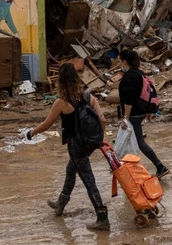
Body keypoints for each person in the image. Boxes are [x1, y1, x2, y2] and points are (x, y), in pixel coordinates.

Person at [25, 62, 110, 231]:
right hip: (91, 142)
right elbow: (103, 120)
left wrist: (30, 133)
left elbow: (46, 125)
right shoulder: (87, 96)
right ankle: (61, 203)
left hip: (76, 144)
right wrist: (98, 138)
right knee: (71, 169)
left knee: (88, 178)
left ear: (61, 80)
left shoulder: (61, 102)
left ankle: (102, 217)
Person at [118, 49, 170, 178]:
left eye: (120, 61)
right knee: (132, 141)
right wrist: (148, 110)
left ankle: (159, 166)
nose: (120, 64)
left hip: (133, 114)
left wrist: (125, 118)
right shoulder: (141, 74)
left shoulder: (128, 78)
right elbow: (149, 92)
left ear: (124, 61)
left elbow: (128, 101)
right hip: (141, 112)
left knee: (138, 142)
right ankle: (127, 169)